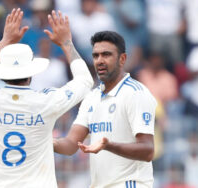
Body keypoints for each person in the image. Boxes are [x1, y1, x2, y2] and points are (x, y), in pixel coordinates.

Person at [0, 8, 93, 187]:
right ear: (31, 74)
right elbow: (85, 81)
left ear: (3, 73)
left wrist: (5, 41)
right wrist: (66, 43)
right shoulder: (45, 102)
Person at [54, 31, 157, 188]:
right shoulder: (92, 97)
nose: (100, 61)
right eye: (96, 56)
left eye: (106, 55)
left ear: (122, 59)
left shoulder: (135, 93)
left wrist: (109, 146)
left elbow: (148, 151)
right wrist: (45, 142)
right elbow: (70, 145)